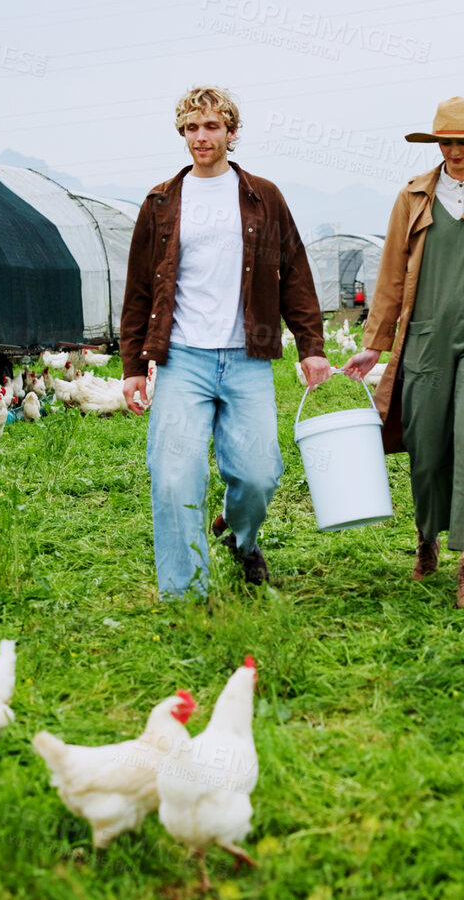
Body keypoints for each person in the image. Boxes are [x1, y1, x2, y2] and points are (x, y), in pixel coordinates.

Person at [121, 86, 332, 599]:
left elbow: (295, 273)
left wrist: (312, 345)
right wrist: (132, 365)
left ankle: (240, 534)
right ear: (182, 134)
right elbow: (139, 288)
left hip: (247, 356)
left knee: (259, 475)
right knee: (173, 476)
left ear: (231, 132)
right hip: (182, 359)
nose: (201, 137)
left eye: (212, 126)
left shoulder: (264, 197)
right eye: (192, 128)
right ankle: (185, 595)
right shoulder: (160, 203)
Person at [342, 97, 464, 609]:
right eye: (447, 142)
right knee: (426, 449)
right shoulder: (412, 197)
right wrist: (374, 346)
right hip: (425, 337)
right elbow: (389, 272)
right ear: (437, 145)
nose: (455, 151)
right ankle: (427, 540)